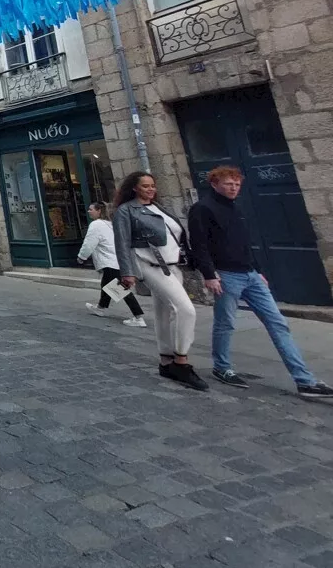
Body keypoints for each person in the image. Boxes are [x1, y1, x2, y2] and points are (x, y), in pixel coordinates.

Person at [190, 166, 333, 398]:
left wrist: (257, 270)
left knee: (277, 323)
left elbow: (244, 241)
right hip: (226, 275)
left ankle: (304, 380)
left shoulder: (234, 207)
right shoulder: (202, 208)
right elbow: (199, 244)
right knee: (225, 323)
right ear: (215, 184)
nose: (234, 188)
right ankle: (222, 367)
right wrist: (209, 275)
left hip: (250, 275)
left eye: (237, 184)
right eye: (229, 184)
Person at [113, 172, 207, 391]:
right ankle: (181, 361)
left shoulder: (159, 207)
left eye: (152, 185)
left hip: (173, 264)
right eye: (145, 186)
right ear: (134, 188)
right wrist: (127, 272)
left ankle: (166, 360)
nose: (150, 189)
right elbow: (122, 243)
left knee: (164, 313)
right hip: (150, 265)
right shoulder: (126, 211)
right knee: (186, 309)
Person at [80, 201, 146, 326]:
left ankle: (138, 317)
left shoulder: (96, 225)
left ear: (99, 211)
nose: (89, 211)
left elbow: (90, 242)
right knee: (107, 284)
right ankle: (100, 307)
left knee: (119, 288)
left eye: (91, 209)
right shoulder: (111, 224)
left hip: (108, 261)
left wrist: (82, 256)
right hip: (117, 260)